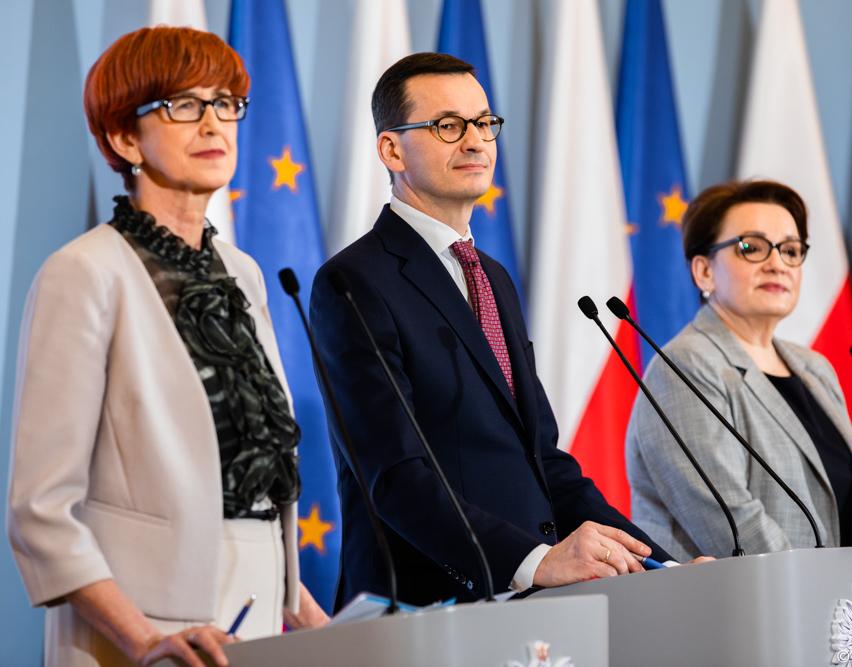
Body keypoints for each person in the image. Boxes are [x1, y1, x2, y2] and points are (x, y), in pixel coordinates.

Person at [6, 27, 327, 667]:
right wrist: (144, 640)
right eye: (184, 105)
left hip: (257, 619)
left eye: (226, 102)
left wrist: (320, 622)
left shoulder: (244, 273)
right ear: (126, 138)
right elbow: (39, 510)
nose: (214, 123)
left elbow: (254, 493)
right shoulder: (85, 273)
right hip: (140, 634)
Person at [311, 53, 677, 609]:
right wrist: (534, 563)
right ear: (391, 149)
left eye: (484, 123)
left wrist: (658, 565)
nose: (476, 142)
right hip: (419, 610)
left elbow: (543, 461)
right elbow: (395, 476)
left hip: (522, 610)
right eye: (448, 126)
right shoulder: (354, 280)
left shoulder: (492, 277)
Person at [625, 179, 852, 561]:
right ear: (703, 271)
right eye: (751, 248)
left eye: (790, 250)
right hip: (747, 609)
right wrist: (812, 596)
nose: (777, 264)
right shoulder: (684, 366)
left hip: (847, 610)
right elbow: (730, 521)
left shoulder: (813, 369)